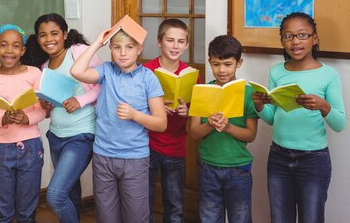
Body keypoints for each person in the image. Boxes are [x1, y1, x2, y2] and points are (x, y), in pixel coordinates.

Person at [252, 12, 346, 223]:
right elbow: (273, 119)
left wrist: (323, 106)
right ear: (282, 41)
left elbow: (340, 124)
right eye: (288, 36)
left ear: (315, 38)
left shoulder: (328, 75)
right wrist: (259, 105)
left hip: (313, 160)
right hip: (278, 157)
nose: (295, 41)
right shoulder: (277, 71)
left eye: (302, 35)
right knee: (279, 218)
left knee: (311, 218)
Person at [71, 26, 167, 223]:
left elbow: (161, 123)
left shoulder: (149, 78)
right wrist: (98, 42)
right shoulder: (107, 71)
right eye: (116, 47)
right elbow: (77, 71)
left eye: (129, 47)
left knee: (135, 217)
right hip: (103, 156)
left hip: (134, 159)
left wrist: (135, 115)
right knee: (106, 216)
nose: (123, 53)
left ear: (140, 48)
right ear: (110, 49)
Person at [22, 13, 101, 223]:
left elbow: (104, 84)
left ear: (65, 34)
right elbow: (50, 108)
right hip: (55, 136)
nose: (49, 39)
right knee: (70, 194)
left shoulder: (79, 52)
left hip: (81, 135)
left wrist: (80, 100)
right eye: (43, 35)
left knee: (55, 195)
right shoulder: (44, 67)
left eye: (55, 33)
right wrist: (45, 107)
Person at [0, 24, 46, 223]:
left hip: (31, 147)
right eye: (3, 45)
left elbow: (42, 109)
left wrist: (26, 118)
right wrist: (4, 118)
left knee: (27, 210)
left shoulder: (34, 73)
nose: (9, 50)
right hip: (1, 149)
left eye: (16, 46)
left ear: (23, 50)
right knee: (4, 209)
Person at [189, 35, 258, 223]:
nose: (221, 70)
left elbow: (250, 135)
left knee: (240, 217)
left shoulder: (249, 93)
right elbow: (194, 133)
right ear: (210, 62)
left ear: (239, 62)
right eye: (216, 64)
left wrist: (227, 126)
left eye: (228, 64)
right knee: (209, 216)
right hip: (208, 167)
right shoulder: (202, 91)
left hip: (238, 168)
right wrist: (209, 124)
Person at [143, 19, 199, 223]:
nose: (175, 46)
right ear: (159, 42)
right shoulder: (146, 71)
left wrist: (188, 110)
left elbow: (198, 108)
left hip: (176, 146)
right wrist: (154, 107)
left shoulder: (191, 75)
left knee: (175, 202)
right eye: (170, 40)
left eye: (181, 41)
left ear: (186, 44)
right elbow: (134, 106)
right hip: (146, 144)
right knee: (143, 200)